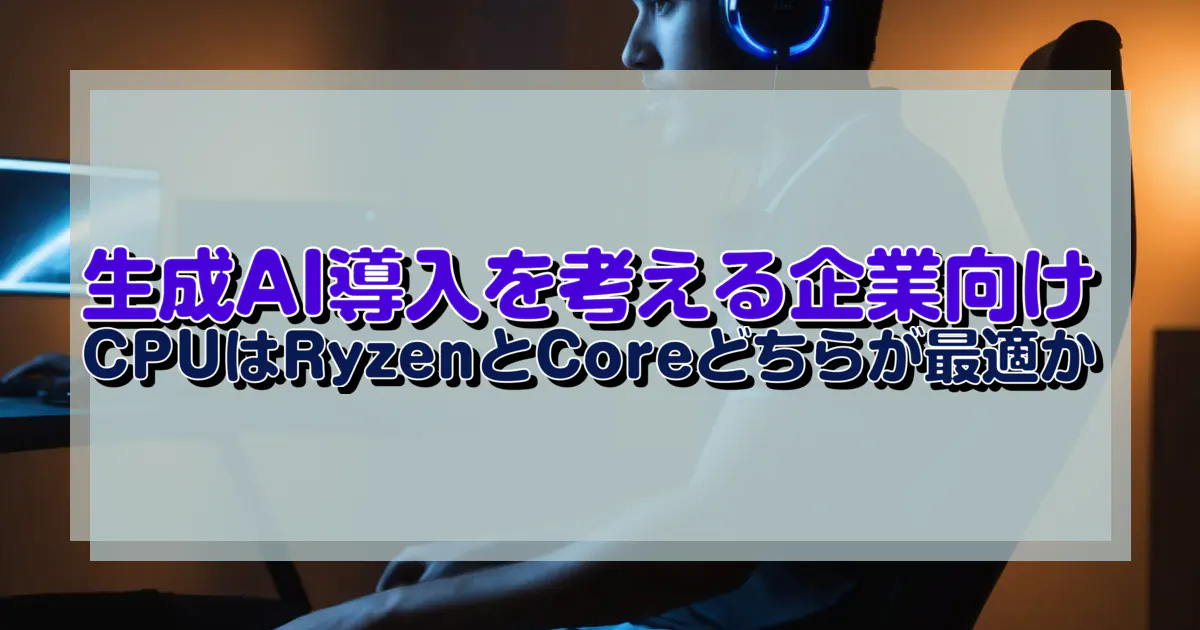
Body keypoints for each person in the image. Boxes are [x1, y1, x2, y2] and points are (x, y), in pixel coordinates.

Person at [279, 1, 991, 629]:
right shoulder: (832, 190)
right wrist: (502, 552)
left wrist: (383, 617)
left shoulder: (862, 206)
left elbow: (712, 544)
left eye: (664, 5)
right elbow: (720, 500)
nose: (633, 51)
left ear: (778, 12)